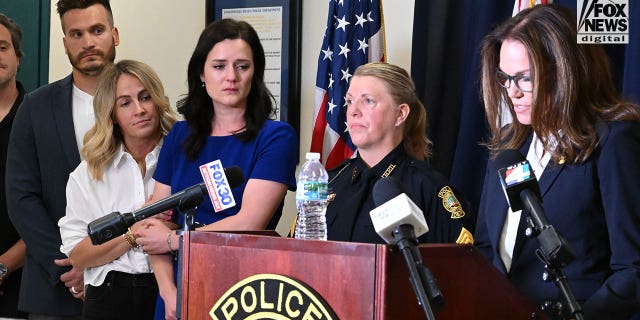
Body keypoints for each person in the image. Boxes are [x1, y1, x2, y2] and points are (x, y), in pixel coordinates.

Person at [474, 4, 640, 320]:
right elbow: (486, 249)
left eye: (523, 78)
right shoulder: (508, 146)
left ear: (565, 71)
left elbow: (633, 270)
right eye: (504, 78)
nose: (511, 92)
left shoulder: (613, 141)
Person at [134, 19, 298, 320]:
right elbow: (151, 223)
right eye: (219, 66)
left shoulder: (276, 136)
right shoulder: (179, 136)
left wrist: (175, 240)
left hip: (245, 290)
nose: (231, 77)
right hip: (177, 289)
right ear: (201, 73)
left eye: (242, 66)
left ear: (256, 74)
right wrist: (169, 293)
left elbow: (249, 221)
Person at [5, 0, 119, 317]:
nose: (88, 42)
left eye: (97, 30)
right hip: (55, 289)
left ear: (115, 34)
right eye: (77, 34)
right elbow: (21, 197)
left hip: (130, 286)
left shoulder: (140, 104)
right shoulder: (35, 108)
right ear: (65, 43)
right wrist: (72, 265)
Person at [58, 60, 178, 319]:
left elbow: (203, 226)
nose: (139, 110)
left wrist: (168, 230)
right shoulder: (88, 174)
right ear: (111, 114)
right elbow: (78, 255)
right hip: (108, 296)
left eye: (145, 97)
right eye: (125, 103)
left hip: (170, 289)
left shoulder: (184, 157)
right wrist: (132, 235)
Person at [321, 62, 474, 245]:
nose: (353, 111)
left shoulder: (429, 188)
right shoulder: (330, 182)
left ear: (400, 114)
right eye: (350, 101)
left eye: (368, 101)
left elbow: (461, 266)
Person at [0, 13, 27, 320]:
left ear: (18, 58)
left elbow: (52, 208)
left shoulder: (39, 122)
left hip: (22, 288)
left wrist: (3, 266)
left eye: (2, 47)